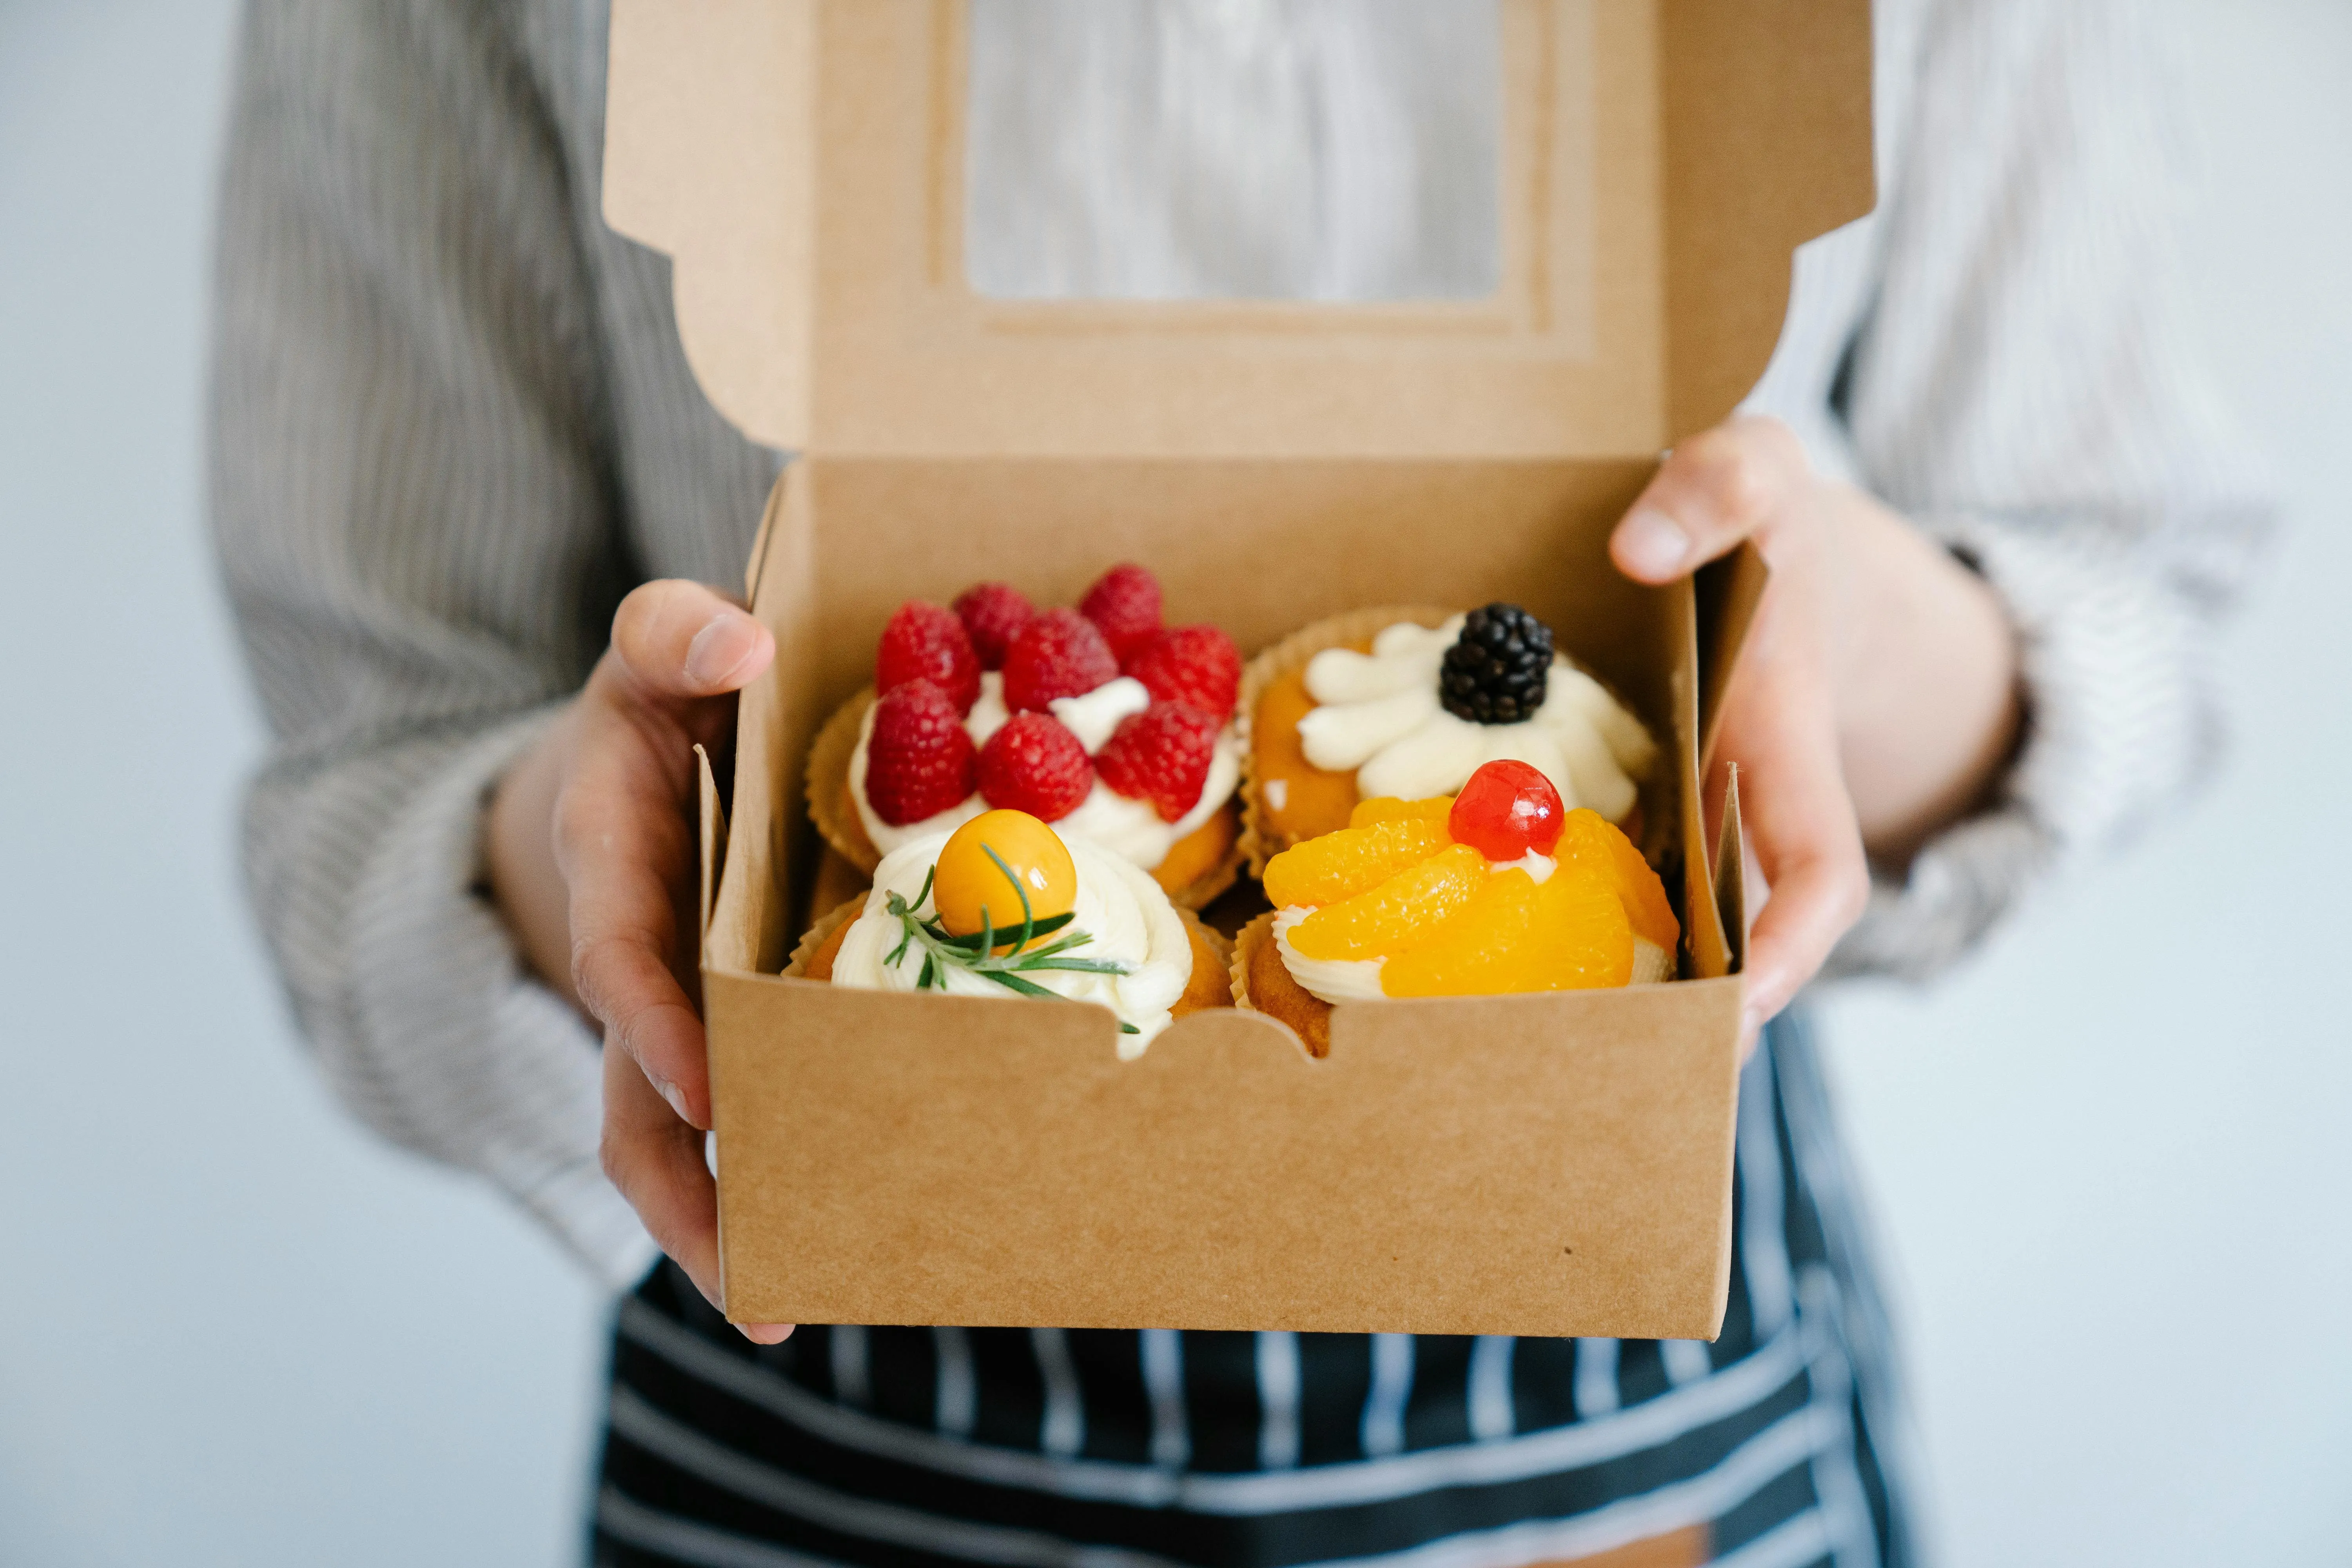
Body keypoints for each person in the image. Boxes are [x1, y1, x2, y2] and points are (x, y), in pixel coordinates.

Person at [211, 2, 2269, 1563]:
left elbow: (2134, 596)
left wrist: (1829, 616)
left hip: (1630, 1363)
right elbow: (374, 758)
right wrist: (611, 869)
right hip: (818, 1352)